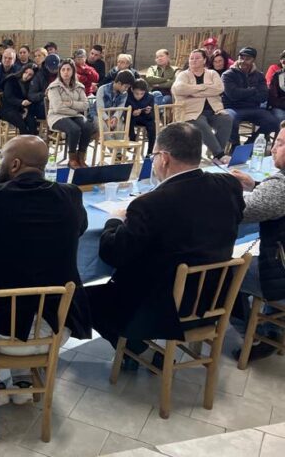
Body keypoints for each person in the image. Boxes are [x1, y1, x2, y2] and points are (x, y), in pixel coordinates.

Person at [0, 136, 90, 403]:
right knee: (28, 299)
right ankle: (23, 377)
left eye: (1, 158)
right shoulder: (71, 195)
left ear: (14, 164)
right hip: (55, 327)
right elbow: (80, 228)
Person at [89, 122, 245, 366]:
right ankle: (136, 350)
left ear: (163, 158)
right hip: (214, 299)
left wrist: (115, 220)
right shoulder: (229, 186)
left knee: (84, 298)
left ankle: (140, 351)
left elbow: (113, 253)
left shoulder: (152, 204)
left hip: (166, 308)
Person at [229, 127, 285, 361]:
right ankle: (273, 326)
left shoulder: (280, 187)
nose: (273, 148)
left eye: (280, 143)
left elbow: (239, 212)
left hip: (281, 276)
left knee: (227, 271)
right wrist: (255, 185)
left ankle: (258, 335)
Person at [172, 49, 234, 164]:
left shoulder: (212, 73)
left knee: (226, 119)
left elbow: (219, 88)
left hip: (214, 110)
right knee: (200, 123)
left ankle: (216, 153)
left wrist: (193, 92)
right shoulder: (183, 75)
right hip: (191, 112)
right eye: (191, 58)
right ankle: (220, 155)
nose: (193, 60)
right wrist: (204, 87)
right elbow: (178, 89)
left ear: (204, 60)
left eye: (197, 58)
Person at [222, 47, 280, 147]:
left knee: (273, 122)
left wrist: (242, 94)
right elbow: (233, 95)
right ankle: (235, 146)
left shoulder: (259, 75)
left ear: (253, 60)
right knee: (229, 120)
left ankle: (250, 143)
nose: (243, 61)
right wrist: (252, 90)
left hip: (253, 108)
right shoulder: (228, 75)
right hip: (232, 108)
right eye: (241, 58)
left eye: (247, 59)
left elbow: (263, 96)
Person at [47, 59, 93, 169]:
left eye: (68, 69)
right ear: (59, 72)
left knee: (88, 126)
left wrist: (71, 103)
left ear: (73, 71)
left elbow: (85, 105)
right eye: (63, 70)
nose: (66, 72)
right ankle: (72, 159)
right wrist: (75, 109)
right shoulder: (54, 87)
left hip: (75, 116)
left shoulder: (79, 86)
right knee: (74, 129)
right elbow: (58, 108)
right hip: (57, 116)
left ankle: (81, 157)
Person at [0, 63, 39, 135]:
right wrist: (21, 102)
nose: (26, 76)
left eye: (30, 75)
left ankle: (32, 140)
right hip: (8, 109)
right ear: (22, 71)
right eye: (26, 72)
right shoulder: (11, 79)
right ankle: (24, 141)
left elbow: (30, 99)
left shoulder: (30, 84)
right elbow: (9, 97)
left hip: (22, 109)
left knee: (32, 122)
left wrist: (26, 109)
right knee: (22, 125)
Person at [127, 79, 157, 156]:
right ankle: (132, 138)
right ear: (132, 90)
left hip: (145, 118)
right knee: (129, 121)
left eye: (142, 93)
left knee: (152, 125)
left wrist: (148, 112)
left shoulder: (150, 97)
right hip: (132, 118)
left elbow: (152, 115)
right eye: (136, 93)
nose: (139, 96)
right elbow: (124, 112)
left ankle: (150, 152)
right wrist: (132, 113)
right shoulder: (128, 97)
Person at [27, 53, 60, 121]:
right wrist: (44, 94)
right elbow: (31, 95)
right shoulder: (39, 76)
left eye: (56, 68)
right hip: (44, 105)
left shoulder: (63, 72)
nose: (54, 70)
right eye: (52, 69)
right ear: (46, 66)